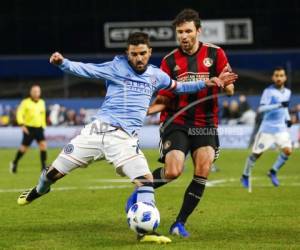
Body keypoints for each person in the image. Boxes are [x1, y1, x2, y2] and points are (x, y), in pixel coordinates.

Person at [17, 32, 237, 244]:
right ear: (127, 53)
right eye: (134, 54)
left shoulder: (156, 75)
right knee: (52, 174)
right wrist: (62, 63)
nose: (138, 58)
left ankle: (145, 231)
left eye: (142, 53)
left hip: (124, 140)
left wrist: (207, 82)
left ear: (149, 52)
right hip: (96, 132)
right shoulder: (116, 66)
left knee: (146, 181)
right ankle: (38, 190)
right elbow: (87, 70)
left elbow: (179, 87)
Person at [127, 9, 236, 238]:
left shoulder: (216, 54)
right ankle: (140, 191)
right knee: (174, 171)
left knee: (202, 170)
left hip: (205, 122)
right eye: (179, 32)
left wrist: (223, 84)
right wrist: (143, 111)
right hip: (176, 120)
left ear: (198, 31)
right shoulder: (169, 61)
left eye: (188, 31)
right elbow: (164, 99)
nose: (184, 36)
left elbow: (229, 89)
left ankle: (179, 223)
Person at [241, 67, 292, 188]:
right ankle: (245, 175)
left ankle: (273, 172)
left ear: (285, 77)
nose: (279, 78)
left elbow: (284, 108)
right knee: (256, 155)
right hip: (267, 130)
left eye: (281, 75)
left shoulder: (287, 92)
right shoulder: (268, 91)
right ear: (273, 77)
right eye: (276, 75)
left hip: (281, 129)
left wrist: (288, 118)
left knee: (288, 151)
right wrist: (278, 105)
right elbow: (261, 109)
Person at [10, 85, 47, 173]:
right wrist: (22, 125)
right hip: (29, 128)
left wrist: (43, 126)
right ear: (31, 92)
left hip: (39, 128)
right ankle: (14, 162)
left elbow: (43, 115)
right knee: (24, 148)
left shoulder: (42, 102)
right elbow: (19, 113)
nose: (36, 93)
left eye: (38, 91)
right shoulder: (25, 102)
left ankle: (43, 167)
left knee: (43, 146)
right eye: (34, 91)